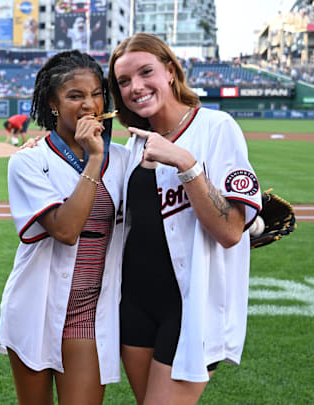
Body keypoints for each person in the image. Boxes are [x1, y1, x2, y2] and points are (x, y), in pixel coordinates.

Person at [108, 33, 262, 404]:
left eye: (146, 72)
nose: (136, 87)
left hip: (191, 305)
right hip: (135, 304)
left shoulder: (217, 127)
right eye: (124, 81)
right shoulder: (134, 144)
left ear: (171, 71)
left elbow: (229, 232)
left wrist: (186, 164)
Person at [0, 50, 128, 404]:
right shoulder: (28, 160)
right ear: (52, 103)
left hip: (89, 311)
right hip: (34, 306)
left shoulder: (126, 158)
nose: (89, 104)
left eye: (96, 93)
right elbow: (66, 231)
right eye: (75, 96)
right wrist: (94, 159)